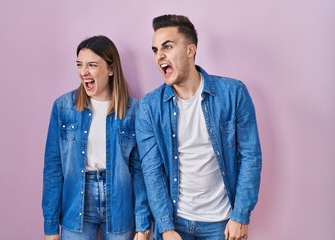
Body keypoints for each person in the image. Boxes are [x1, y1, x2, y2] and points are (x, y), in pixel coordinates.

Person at [135, 15, 262, 240]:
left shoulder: (233, 94)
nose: (159, 56)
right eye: (155, 50)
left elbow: (250, 156)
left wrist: (241, 216)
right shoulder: (149, 107)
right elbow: (152, 170)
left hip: (222, 224)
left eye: (167, 47)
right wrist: (165, 227)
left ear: (190, 50)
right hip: (176, 223)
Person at [42, 35, 151, 240]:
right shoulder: (63, 107)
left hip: (120, 203)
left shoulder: (134, 111)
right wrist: (50, 229)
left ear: (111, 69)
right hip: (76, 203)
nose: (84, 72)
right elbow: (53, 169)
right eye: (79, 65)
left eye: (92, 65)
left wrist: (142, 225)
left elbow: (139, 171)